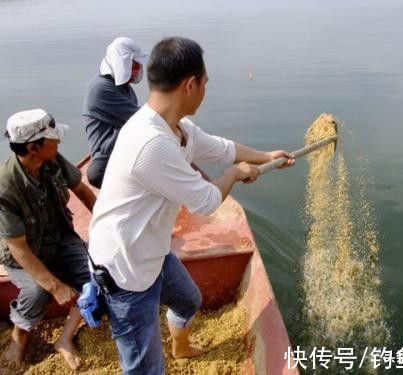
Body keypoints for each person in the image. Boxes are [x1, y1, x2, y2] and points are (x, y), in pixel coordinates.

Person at [88, 37, 295, 374]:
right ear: (189, 85)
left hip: (149, 251)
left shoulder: (175, 127)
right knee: (144, 368)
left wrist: (267, 156)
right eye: (205, 83)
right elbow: (207, 201)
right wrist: (234, 174)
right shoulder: (151, 143)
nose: (206, 90)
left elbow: (221, 148)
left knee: (188, 299)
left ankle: (180, 347)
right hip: (125, 270)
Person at [0, 109, 96, 370]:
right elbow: (18, 248)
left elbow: (83, 192)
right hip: (25, 252)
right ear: (33, 147)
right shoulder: (5, 187)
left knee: (96, 275)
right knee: (37, 291)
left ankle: (65, 339)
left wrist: (107, 230)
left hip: (60, 238)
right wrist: (54, 286)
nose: (59, 142)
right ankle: (19, 338)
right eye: (53, 138)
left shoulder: (52, 160)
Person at [83, 37, 148, 188]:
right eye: (134, 65)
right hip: (108, 160)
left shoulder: (123, 87)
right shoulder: (101, 88)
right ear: (122, 64)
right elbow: (141, 120)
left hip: (125, 151)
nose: (138, 70)